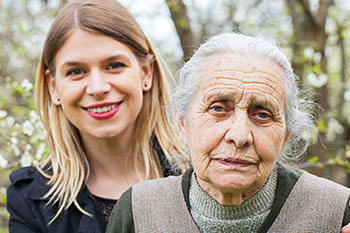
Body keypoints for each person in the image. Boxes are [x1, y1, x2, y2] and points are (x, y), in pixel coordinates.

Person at [106, 32, 350, 233]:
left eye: (262, 114)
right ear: (183, 124)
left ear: (285, 137)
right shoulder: (138, 212)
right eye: (218, 109)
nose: (240, 135)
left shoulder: (337, 211)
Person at [6, 0, 187, 232]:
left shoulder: (198, 178)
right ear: (53, 87)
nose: (97, 87)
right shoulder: (32, 203)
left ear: (146, 72)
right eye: (76, 72)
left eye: (114, 65)